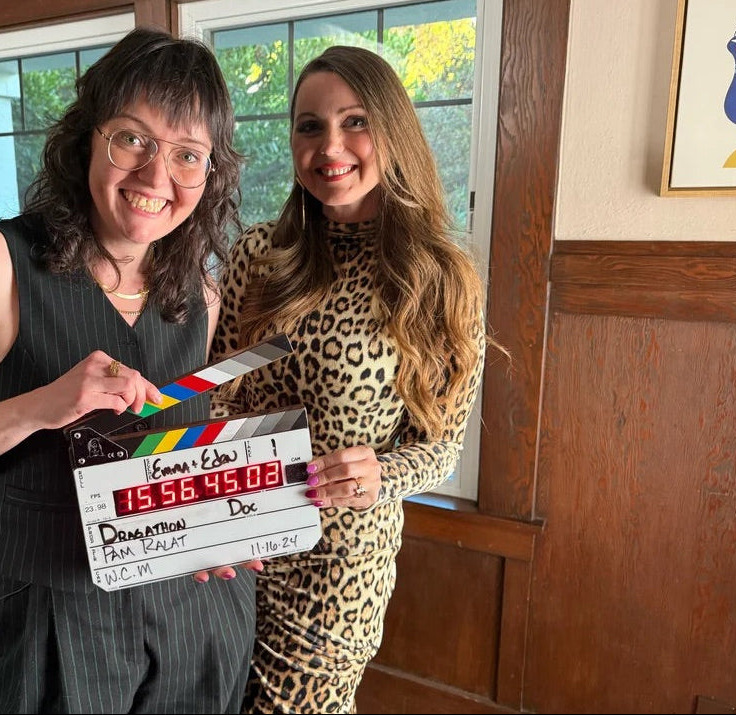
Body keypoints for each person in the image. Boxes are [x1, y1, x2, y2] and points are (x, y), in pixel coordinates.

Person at [0, 27, 259, 714]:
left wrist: (213, 520)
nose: (155, 177)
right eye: (133, 138)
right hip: (49, 619)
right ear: (88, 136)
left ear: (212, 171)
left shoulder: (201, 289)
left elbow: (170, 462)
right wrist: (37, 406)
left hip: (197, 609)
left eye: (188, 155)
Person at [210, 45, 488, 714]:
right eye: (309, 125)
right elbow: (216, 390)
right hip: (230, 537)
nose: (330, 145)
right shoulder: (259, 254)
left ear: (392, 129)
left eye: (354, 120)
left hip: (333, 568)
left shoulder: (439, 278)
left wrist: (380, 475)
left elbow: (442, 444)